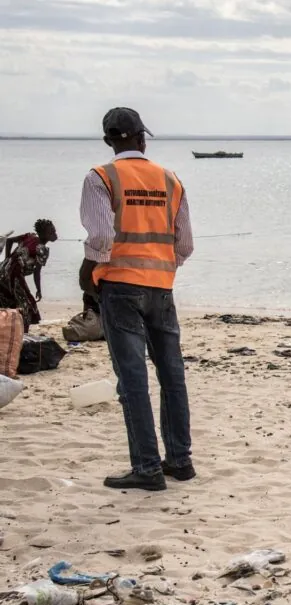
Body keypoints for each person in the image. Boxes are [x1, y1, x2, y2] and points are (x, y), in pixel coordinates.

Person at [79, 107, 195, 492]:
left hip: (119, 287)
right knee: (171, 375)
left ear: (109, 140)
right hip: (161, 287)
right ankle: (180, 460)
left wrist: (87, 273)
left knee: (132, 379)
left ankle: (147, 467)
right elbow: (184, 245)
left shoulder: (100, 177)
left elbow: (101, 238)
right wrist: (161, 267)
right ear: (142, 138)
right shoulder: (170, 180)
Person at [0, 219, 58, 333]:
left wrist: (8, 259)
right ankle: (23, 333)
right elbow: (37, 272)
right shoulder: (42, 249)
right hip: (14, 275)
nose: (55, 234)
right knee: (28, 304)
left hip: (2, 270)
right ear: (44, 234)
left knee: (8, 301)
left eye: (54, 231)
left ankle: (8, 332)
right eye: (52, 232)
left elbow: (9, 240)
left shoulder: (29, 236)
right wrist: (38, 290)